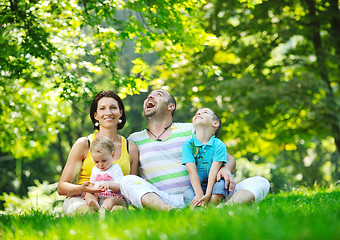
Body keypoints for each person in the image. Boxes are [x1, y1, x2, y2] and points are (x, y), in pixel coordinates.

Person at [120, 89, 270, 210]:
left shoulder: (190, 129)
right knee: (127, 181)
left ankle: (222, 209)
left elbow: (227, 157)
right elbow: (136, 178)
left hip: (203, 195)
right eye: (148, 97)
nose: (150, 97)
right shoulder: (135, 139)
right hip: (165, 198)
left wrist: (226, 169)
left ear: (170, 106)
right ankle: (168, 210)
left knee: (260, 182)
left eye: (158, 95)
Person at [57, 90, 139, 214]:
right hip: (83, 198)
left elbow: (132, 187)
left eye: (113, 107)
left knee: (118, 213)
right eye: (102, 108)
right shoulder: (84, 144)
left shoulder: (130, 147)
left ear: (120, 112)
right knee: (87, 212)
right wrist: (82, 189)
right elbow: (62, 187)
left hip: (114, 200)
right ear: (95, 115)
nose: (108, 112)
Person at [182, 108, 228, 207]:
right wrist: (199, 194)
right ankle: (202, 208)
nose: (199, 113)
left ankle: (210, 207)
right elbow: (192, 171)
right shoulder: (188, 145)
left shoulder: (219, 145)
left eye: (205, 112)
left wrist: (207, 194)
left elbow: (214, 171)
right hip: (198, 185)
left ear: (215, 123)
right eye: (197, 113)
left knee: (221, 187)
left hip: (216, 181)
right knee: (188, 195)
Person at [84, 136, 127, 211]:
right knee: (88, 194)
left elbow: (119, 186)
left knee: (110, 200)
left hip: (113, 196)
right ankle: (93, 204)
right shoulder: (95, 169)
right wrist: (91, 189)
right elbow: (92, 184)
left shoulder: (115, 168)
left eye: (103, 161)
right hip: (98, 194)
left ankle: (104, 209)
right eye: (96, 162)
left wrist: (109, 185)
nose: (100, 164)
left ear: (112, 155)